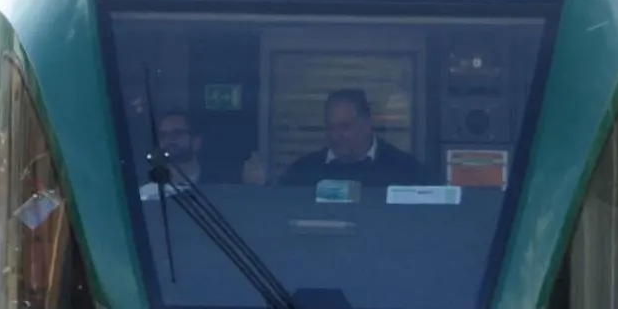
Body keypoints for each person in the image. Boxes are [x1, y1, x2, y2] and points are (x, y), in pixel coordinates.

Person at [243, 88, 428, 187]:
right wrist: (259, 187)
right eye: (330, 127)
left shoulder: (405, 170)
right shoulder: (304, 170)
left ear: (367, 124)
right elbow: (280, 211)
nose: (335, 135)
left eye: (344, 127)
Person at [140, 109, 203, 199]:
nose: (169, 140)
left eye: (177, 134)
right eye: (163, 135)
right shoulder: (144, 193)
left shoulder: (218, 184)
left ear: (196, 142)